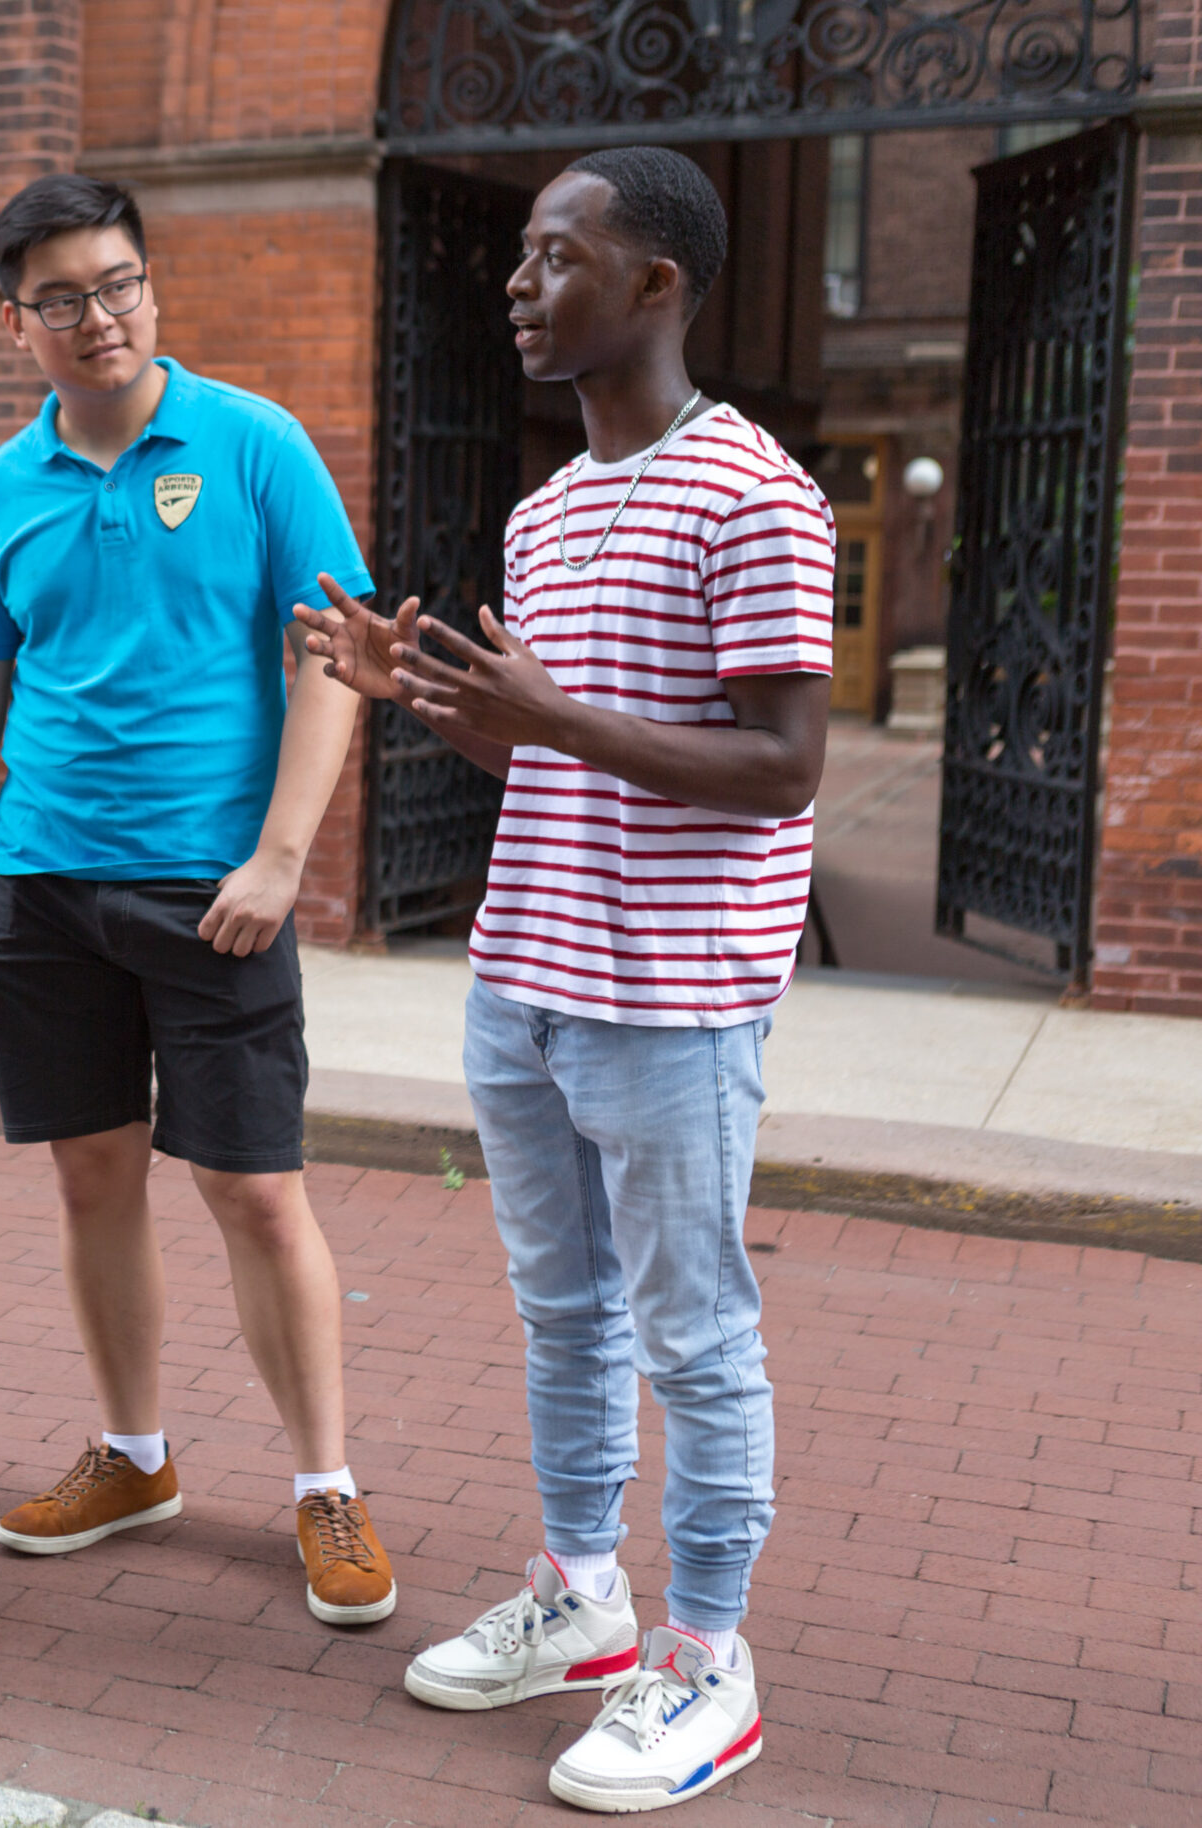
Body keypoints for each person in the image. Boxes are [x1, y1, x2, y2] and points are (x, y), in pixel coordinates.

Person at [299, 147, 833, 1811]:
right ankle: (584, 1597)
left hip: (675, 996)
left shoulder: (756, 494)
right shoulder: (548, 509)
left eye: (555, 255)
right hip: (524, 971)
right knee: (564, 1316)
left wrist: (547, 718)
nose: (519, 283)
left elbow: (783, 764)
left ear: (658, 284)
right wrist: (433, 699)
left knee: (694, 1335)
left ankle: (707, 1659)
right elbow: (555, 749)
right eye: (523, 256)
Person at [0, 172, 398, 1628]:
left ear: (152, 287)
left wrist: (281, 856)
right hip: (46, 886)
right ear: (17, 323)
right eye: (60, 297)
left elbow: (335, 654)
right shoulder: (3, 488)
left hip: (215, 892)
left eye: (117, 282)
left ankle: (324, 1483)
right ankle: (135, 1458)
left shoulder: (255, 445)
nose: (96, 316)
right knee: (91, 1178)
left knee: (253, 1188)